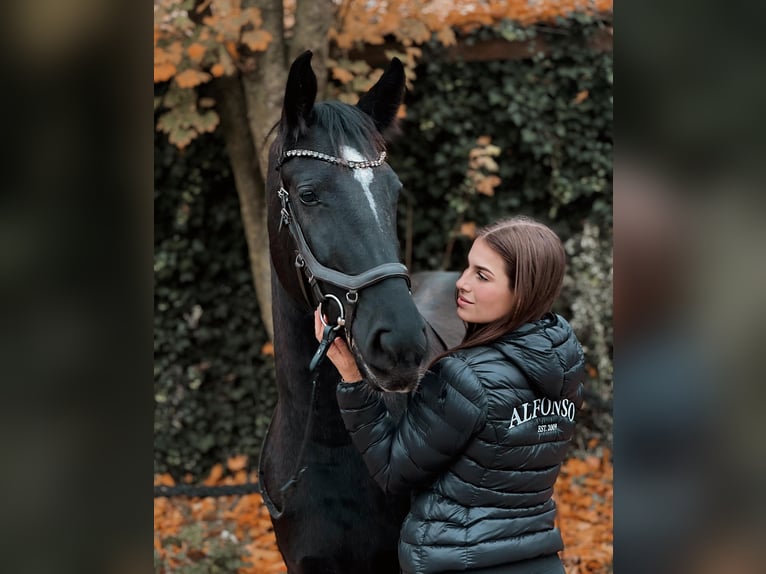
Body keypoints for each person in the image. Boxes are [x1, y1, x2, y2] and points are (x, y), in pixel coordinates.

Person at [314, 215, 586, 574]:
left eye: (482, 275)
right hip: (539, 561)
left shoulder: (464, 376)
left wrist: (352, 378)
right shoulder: (567, 361)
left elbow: (393, 470)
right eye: (467, 267)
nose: (461, 283)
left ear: (523, 292)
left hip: (458, 562)